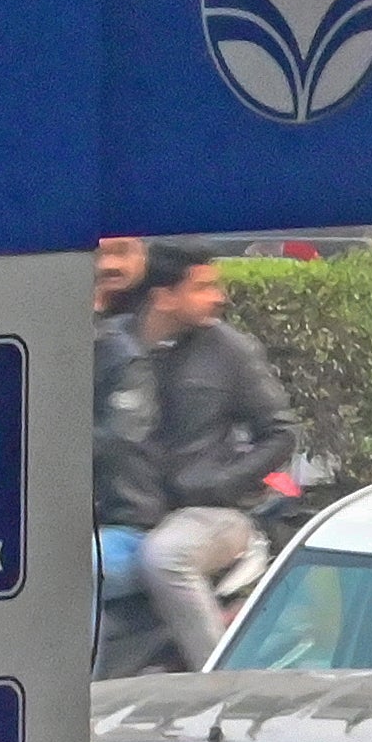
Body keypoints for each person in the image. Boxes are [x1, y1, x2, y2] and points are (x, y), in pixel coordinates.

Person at [94, 243, 300, 670]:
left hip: (215, 516)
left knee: (166, 556)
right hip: (134, 519)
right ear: (165, 296)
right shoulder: (116, 346)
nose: (218, 297)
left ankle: (215, 682)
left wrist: (221, 483)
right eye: (202, 287)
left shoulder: (229, 350)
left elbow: (280, 433)